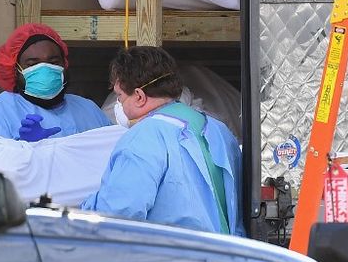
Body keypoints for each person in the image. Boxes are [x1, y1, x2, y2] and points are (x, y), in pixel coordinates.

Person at [80, 46, 244, 236]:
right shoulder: (218, 130)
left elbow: (117, 215)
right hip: (226, 257)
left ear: (140, 96)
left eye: (120, 97)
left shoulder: (143, 137)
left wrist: (84, 212)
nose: (119, 105)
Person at [0, 23, 109, 147]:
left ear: (65, 64)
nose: (45, 69)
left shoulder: (88, 111)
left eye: (54, 62)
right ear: (15, 70)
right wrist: (22, 149)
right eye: (33, 64)